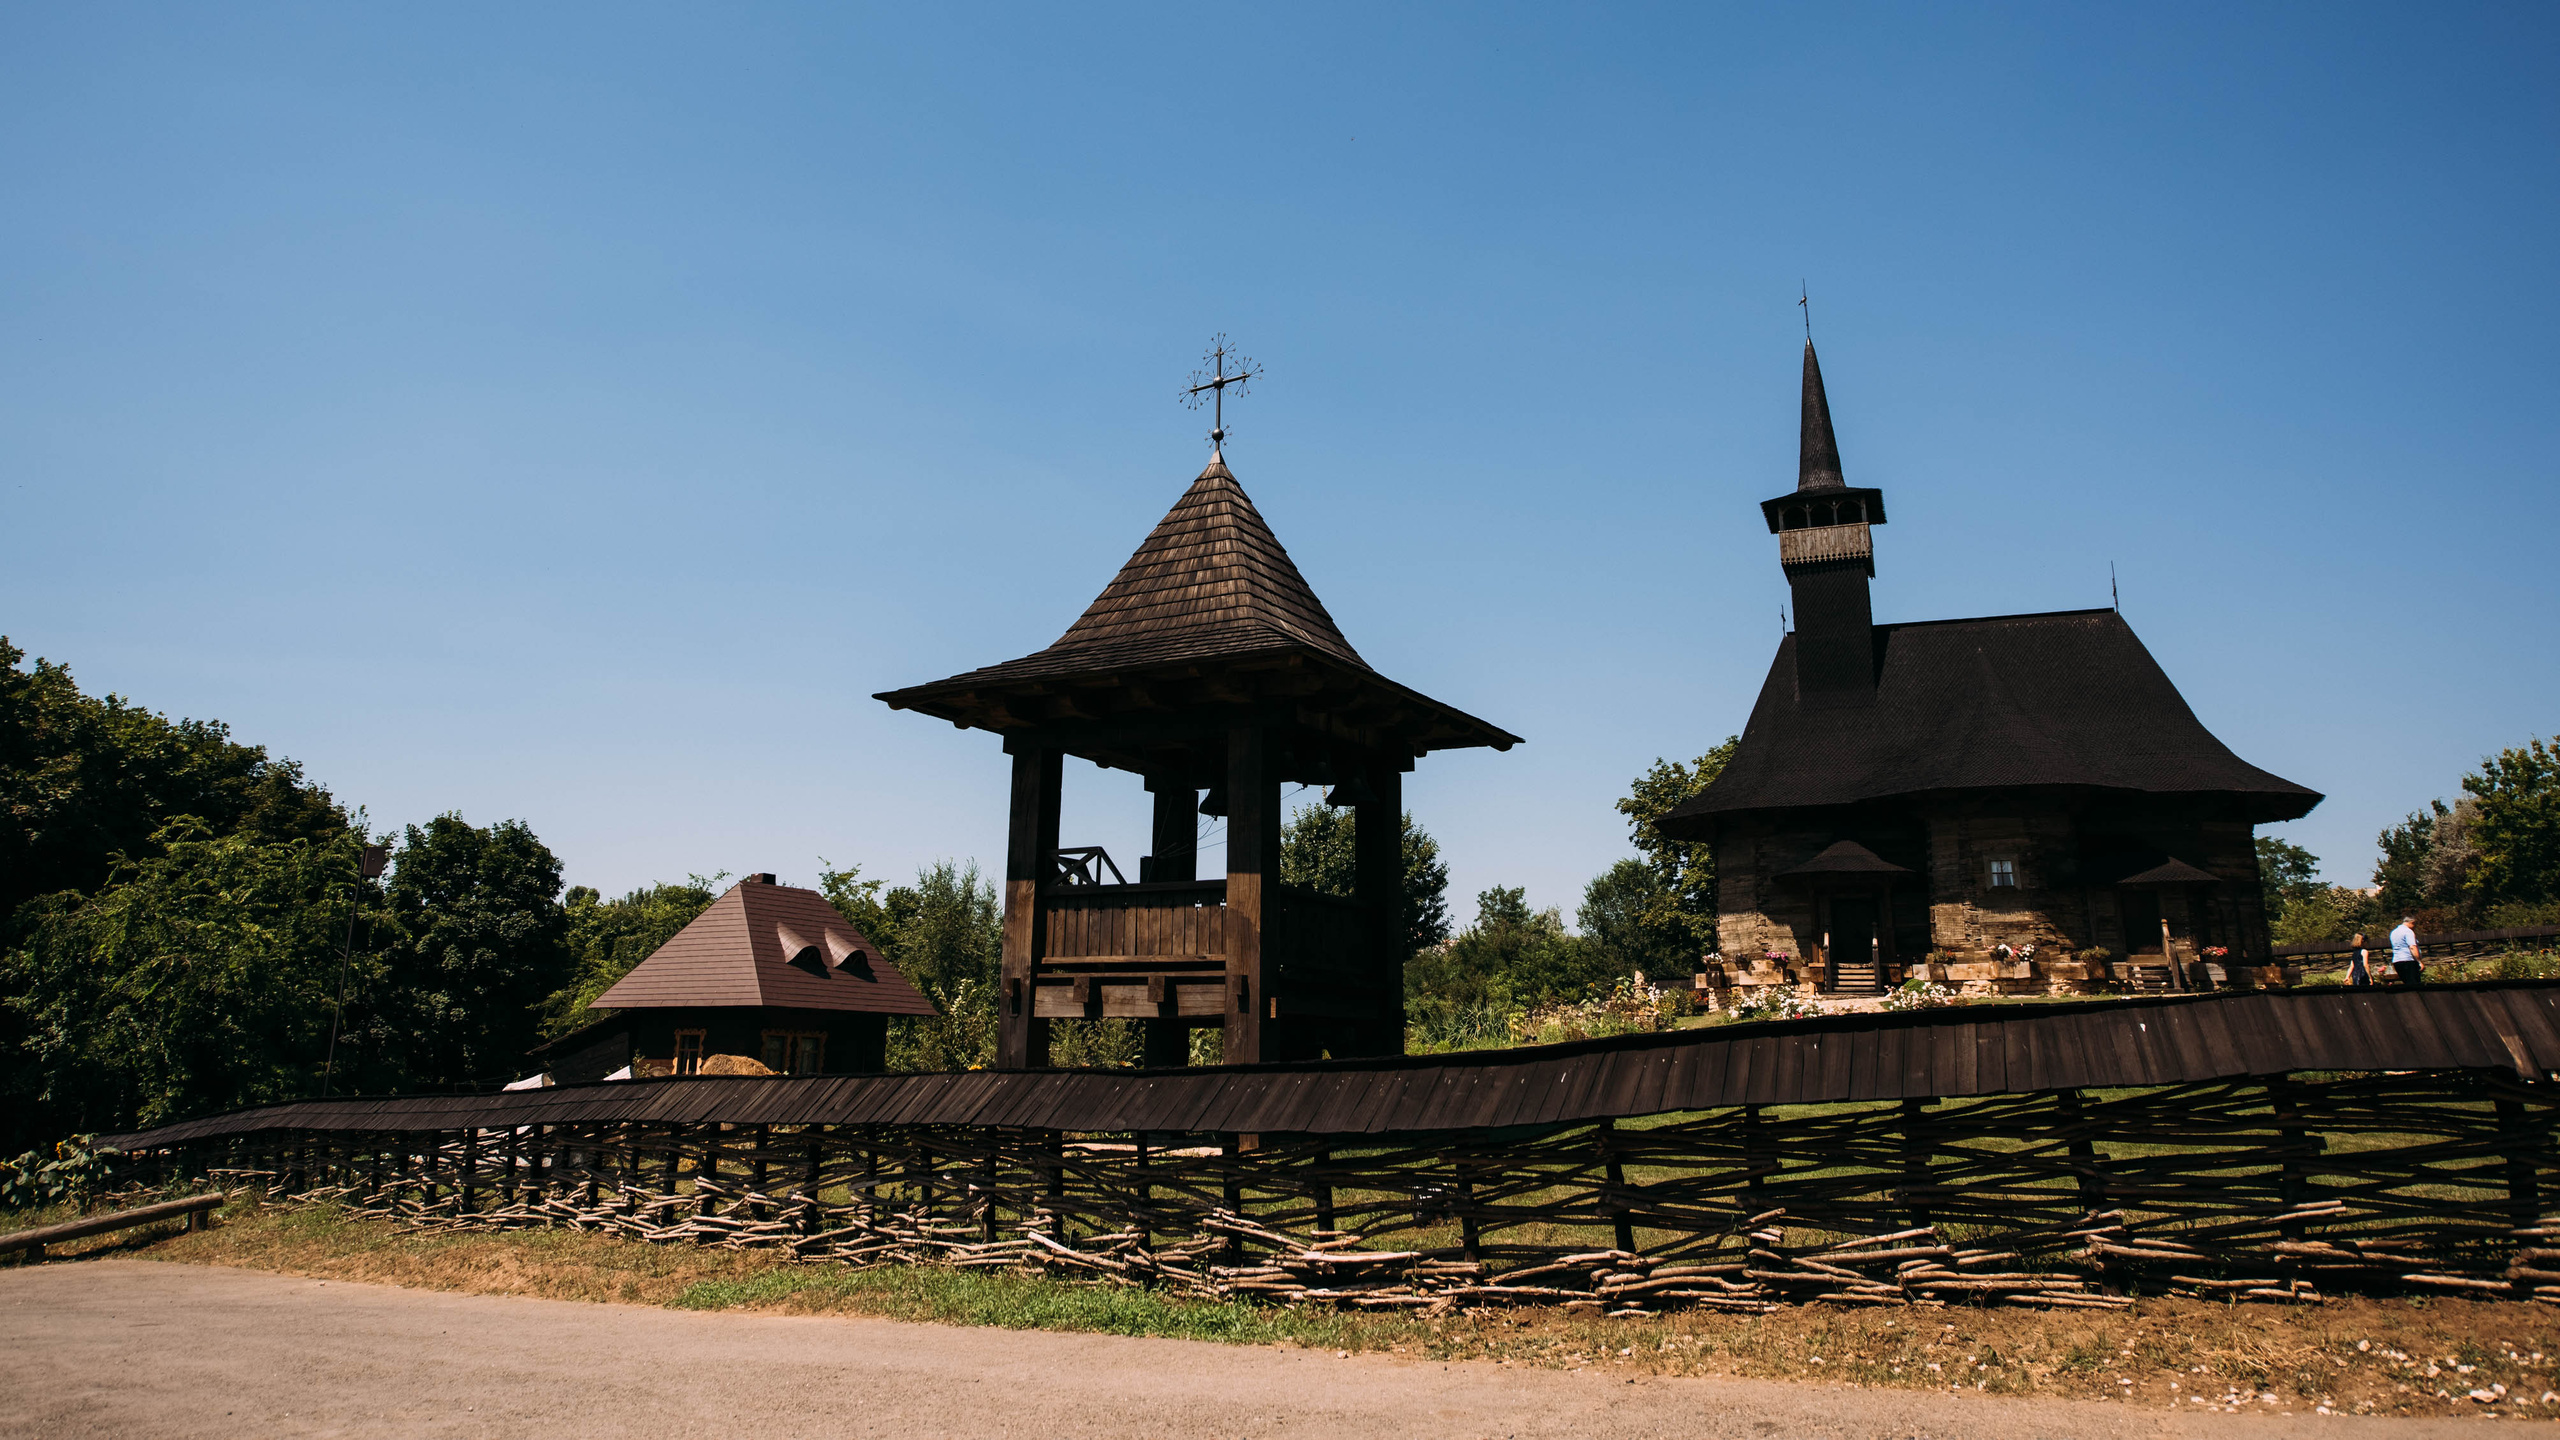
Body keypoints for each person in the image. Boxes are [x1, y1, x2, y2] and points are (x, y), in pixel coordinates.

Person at [2389, 916, 2422, 986]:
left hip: (2397, 960)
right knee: (2415, 984)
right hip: (2408, 960)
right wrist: (2419, 961)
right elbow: (2412, 947)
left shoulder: (2393, 932)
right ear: (2411, 923)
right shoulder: (2408, 931)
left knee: (2406, 983)